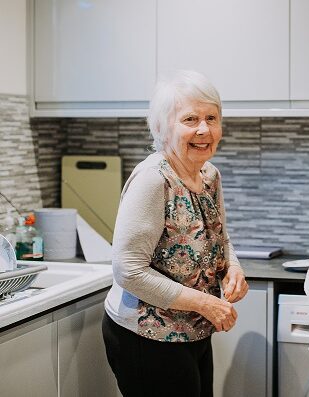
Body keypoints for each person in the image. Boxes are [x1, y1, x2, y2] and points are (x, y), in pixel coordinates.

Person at [102, 70, 248, 397]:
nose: (203, 129)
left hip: (193, 331)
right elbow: (128, 269)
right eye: (190, 119)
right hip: (146, 336)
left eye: (212, 118)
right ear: (162, 127)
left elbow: (218, 237)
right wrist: (206, 303)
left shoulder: (209, 174)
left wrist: (233, 268)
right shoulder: (154, 180)